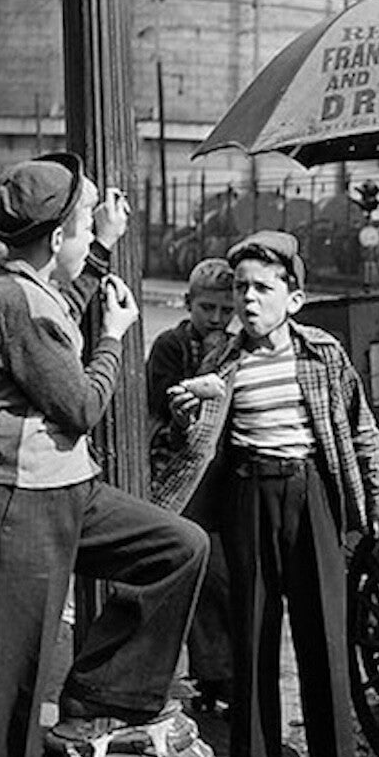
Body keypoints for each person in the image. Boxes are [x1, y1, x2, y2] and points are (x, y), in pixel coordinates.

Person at [0, 153, 209, 757]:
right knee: (7, 678)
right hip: (16, 500)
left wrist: (102, 248)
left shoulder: (35, 288)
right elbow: (83, 404)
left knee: (177, 547)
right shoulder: (15, 302)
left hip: (64, 487)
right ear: (55, 235)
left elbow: (69, 291)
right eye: (85, 224)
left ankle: (103, 695)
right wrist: (115, 337)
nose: (94, 233)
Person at [149, 230, 379, 757]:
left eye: (263, 288)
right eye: (241, 288)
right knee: (253, 627)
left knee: (324, 630)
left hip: (311, 494)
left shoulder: (322, 354)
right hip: (247, 495)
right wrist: (185, 414)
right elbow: (191, 442)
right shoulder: (220, 360)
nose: (248, 299)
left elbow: (361, 428)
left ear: (294, 298)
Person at [147, 257, 237, 713]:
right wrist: (207, 364)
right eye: (207, 309)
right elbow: (163, 404)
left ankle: (219, 674)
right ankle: (205, 673)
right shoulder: (170, 346)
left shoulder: (238, 347)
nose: (217, 319)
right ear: (188, 304)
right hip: (181, 474)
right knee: (196, 572)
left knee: (222, 578)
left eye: (225, 310)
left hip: (223, 478)